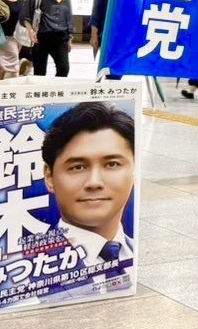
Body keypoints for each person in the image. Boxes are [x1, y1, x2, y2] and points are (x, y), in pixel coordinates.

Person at [42, 102, 135, 266]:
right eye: (77, 167)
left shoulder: (135, 254)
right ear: (50, 177)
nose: (94, 182)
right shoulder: (16, 274)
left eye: (112, 164)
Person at [32, 0, 74, 77]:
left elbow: (68, 18)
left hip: (61, 38)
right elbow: (26, 14)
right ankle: (40, 93)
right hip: (41, 36)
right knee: (40, 72)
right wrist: (30, 31)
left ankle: (55, 92)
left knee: (64, 69)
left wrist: (70, 38)